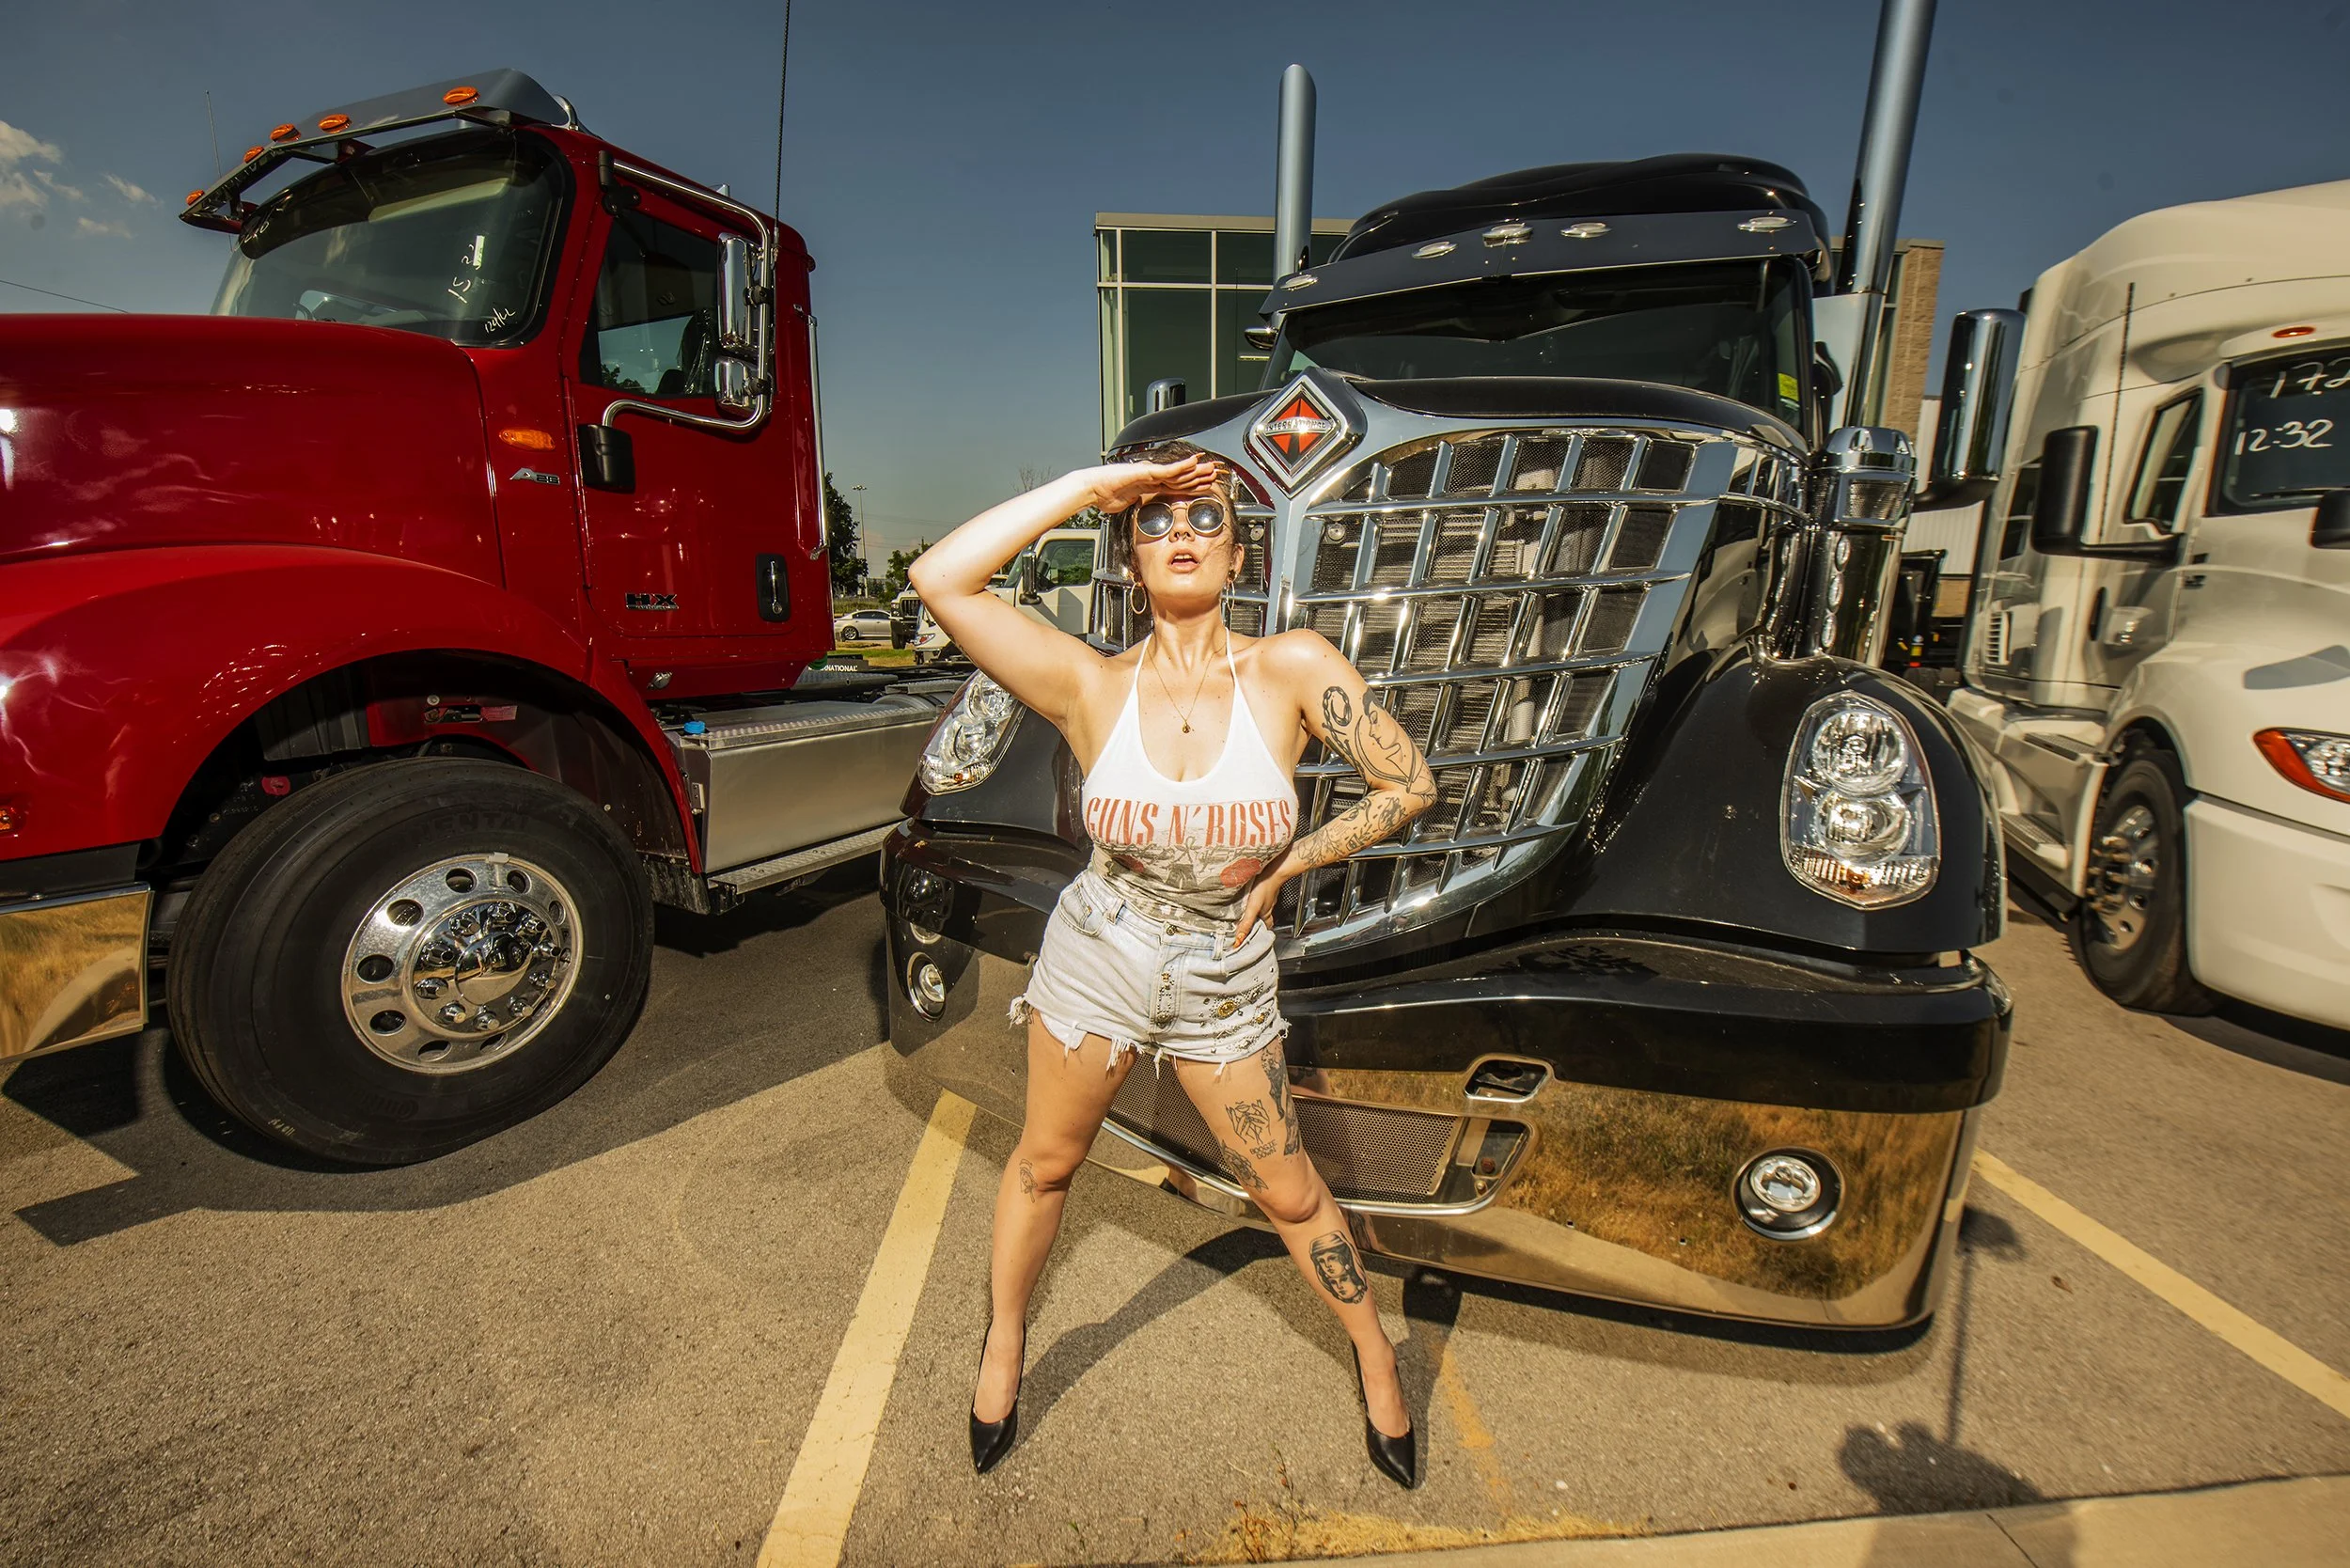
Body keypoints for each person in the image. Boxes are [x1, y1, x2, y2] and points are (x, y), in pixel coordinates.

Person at [908, 444, 1439, 1487]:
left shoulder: (1291, 668)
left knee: (1288, 1192)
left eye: (1204, 520)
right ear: (1130, 557)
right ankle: (1004, 1342)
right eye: (1153, 522)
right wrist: (1086, 487)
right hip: (1099, 953)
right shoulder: (1086, 683)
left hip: (1223, 971)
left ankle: (1376, 1355)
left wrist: (1292, 861)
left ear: (1238, 558)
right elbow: (940, 579)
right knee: (1045, 1164)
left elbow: (1408, 784)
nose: (1180, 533)